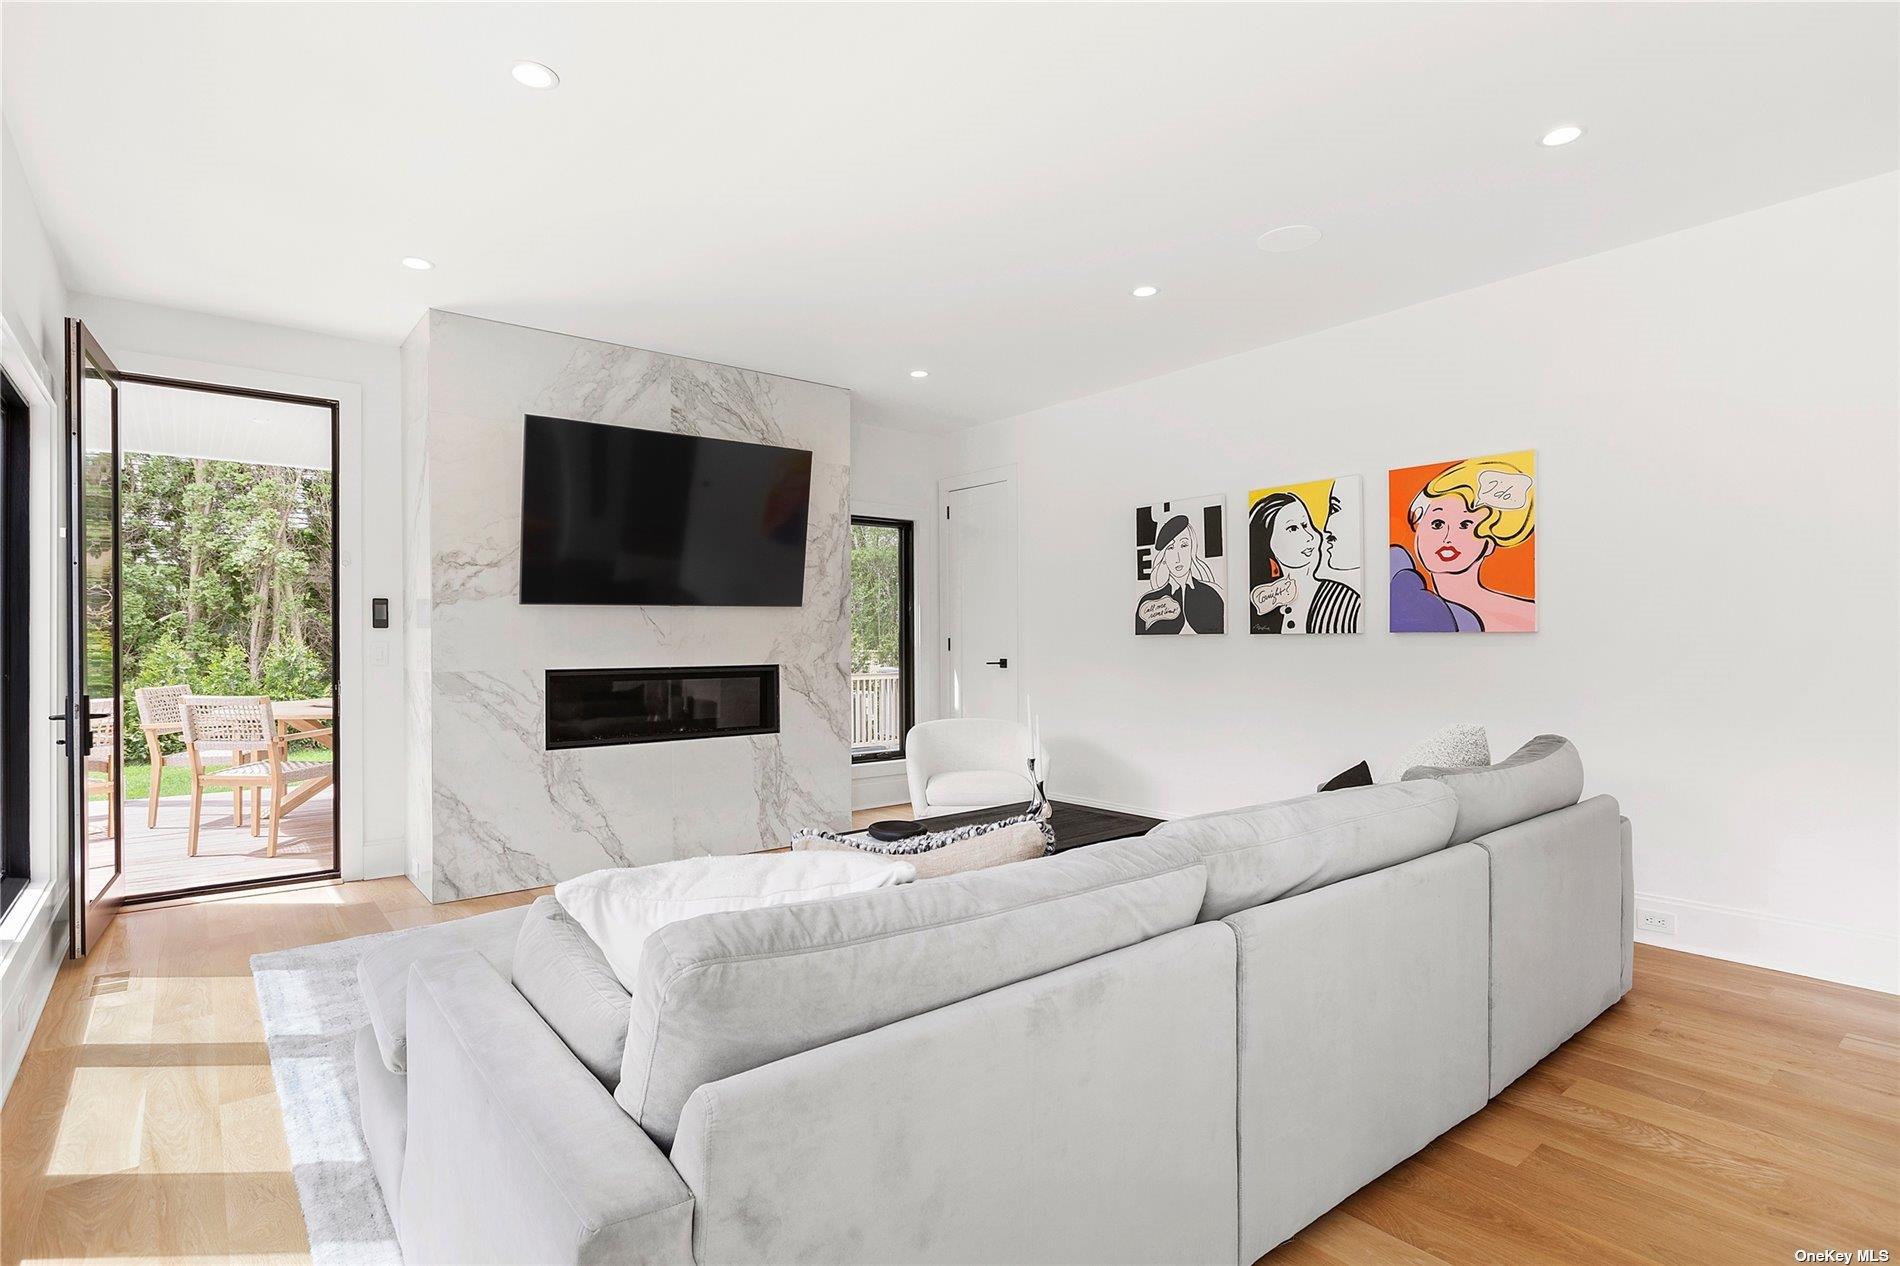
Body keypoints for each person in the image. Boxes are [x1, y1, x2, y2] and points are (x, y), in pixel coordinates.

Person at [1392, 456, 1536, 632]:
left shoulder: (1525, 617)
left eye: (1465, 525)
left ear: (1489, 543)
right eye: (1437, 524)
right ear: (1418, 527)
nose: (1448, 537)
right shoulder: (1405, 602)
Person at [1248, 492, 1361, 634]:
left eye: (1306, 525)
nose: (1309, 536)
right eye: (1293, 528)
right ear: (1267, 541)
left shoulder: (1344, 600)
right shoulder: (1259, 602)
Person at [1136, 512, 1225, 634]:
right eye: (1170, 548)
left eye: (1184, 545)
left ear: (1192, 548)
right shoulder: (1148, 601)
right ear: (1164, 556)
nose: (1178, 557)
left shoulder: (1211, 594)